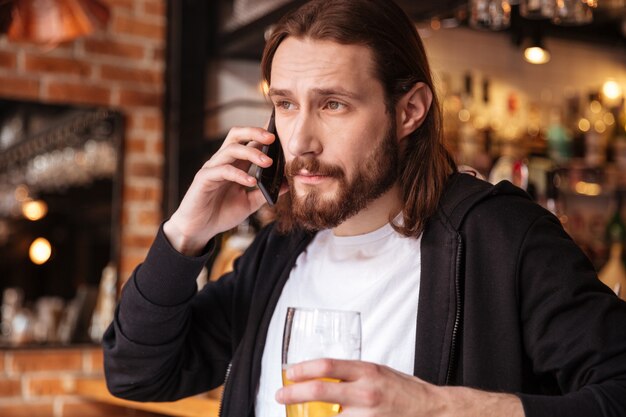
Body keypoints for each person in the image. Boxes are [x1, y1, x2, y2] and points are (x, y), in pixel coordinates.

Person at [102, 0, 626, 416]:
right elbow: (138, 373)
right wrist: (184, 235)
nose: (301, 139)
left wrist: (443, 409)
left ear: (409, 111)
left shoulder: (502, 237)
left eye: (333, 104)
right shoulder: (279, 252)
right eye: (285, 103)